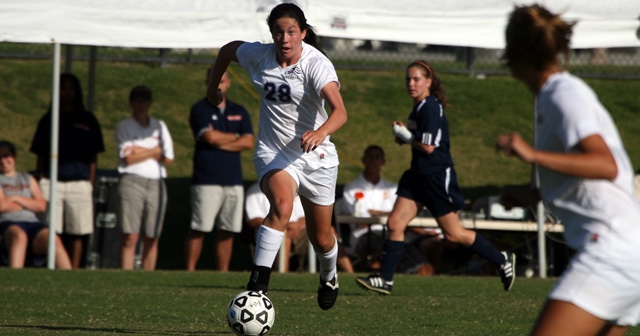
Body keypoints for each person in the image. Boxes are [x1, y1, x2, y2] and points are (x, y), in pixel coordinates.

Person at [496, 5, 640, 335]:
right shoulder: (553, 96)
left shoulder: (563, 94)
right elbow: (584, 177)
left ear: (515, 52)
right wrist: (530, 196)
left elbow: (605, 164)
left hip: (611, 247)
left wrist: (531, 154)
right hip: (629, 245)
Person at [205, 3, 348, 310]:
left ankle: (330, 275)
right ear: (272, 34)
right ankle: (257, 289)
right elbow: (228, 50)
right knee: (281, 205)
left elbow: (340, 112)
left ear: (303, 34)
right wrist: (213, 88)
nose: (285, 39)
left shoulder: (316, 64)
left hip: (316, 157)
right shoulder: (260, 55)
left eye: (292, 32)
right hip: (274, 153)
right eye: (278, 32)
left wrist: (320, 132)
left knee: (321, 239)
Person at [356, 60, 515, 295]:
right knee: (395, 224)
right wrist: (404, 136)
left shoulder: (431, 107)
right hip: (416, 175)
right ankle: (386, 280)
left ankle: (501, 259)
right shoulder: (418, 107)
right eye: (408, 79)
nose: (411, 83)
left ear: (428, 81)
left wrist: (407, 137)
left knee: (453, 233)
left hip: (435, 177)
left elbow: (428, 147)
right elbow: (418, 139)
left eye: (416, 79)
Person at [30, 72, 105, 269]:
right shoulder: (48, 120)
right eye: (63, 89)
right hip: (52, 182)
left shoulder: (88, 120)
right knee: (52, 230)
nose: (67, 93)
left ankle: (73, 270)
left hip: (79, 183)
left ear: (77, 92)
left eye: (71, 89)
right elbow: (40, 154)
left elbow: (93, 156)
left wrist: (90, 182)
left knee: (77, 231)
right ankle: (53, 267)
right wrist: (42, 178)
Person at [184, 69, 254, 272]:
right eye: (215, 81)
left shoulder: (239, 110)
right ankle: (189, 271)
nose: (219, 85)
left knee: (228, 229)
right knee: (200, 227)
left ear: (229, 83)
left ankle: (222, 272)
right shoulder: (200, 109)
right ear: (208, 82)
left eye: (222, 81)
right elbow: (209, 138)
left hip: (233, 178)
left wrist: (221, 140)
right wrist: (235, 138)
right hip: (207, 178)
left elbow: (248, 141)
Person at [342, 145, 442, 275]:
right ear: (363, 160)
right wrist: (391, 216)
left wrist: (378, 214)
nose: (373, 160)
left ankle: (419, 272)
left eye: (377, 157)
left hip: (395, 234)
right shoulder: (351, 188)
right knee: (382, 247)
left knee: (425, 261)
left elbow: (402, 215)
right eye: (370, 157)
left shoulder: (392, 188)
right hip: (364, 236)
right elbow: (359, 221)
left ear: (383, 162)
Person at [115, 86, 174, 270]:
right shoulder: (124, 126)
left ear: (150, 103)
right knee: (130, 236)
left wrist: (140, 150)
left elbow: (168, 157)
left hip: (156, 183)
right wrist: (154, 150)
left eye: (145, 101)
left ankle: (147, 276)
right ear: (131, 103)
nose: (142, 105)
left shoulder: (159, 125)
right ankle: (126, 276)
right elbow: (128, 158)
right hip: (132, 181)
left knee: (152, 236)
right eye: (138, 101)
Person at [0, 141, 71, 269]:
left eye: (6, 155)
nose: (3, 160)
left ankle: (72, 281)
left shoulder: (28, 179)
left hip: (32, 223)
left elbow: (42, 206)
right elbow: (2, 206)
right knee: (19, 236)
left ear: (14, 156)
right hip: (7, 223)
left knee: (53, 239)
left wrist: (15, 198)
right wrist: (29, 203)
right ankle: (14, 280)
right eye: (0, 157)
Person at [245, 182, 307, 272]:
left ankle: (330, 275)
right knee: (285, 237)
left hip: (300, 232)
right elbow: (253, 219)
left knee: (330, 231)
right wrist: (282, 227)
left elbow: (307, 215)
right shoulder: (254, 191)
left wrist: (298, 225)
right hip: (272, 231)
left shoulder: (297, 188)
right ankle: (281, 275)